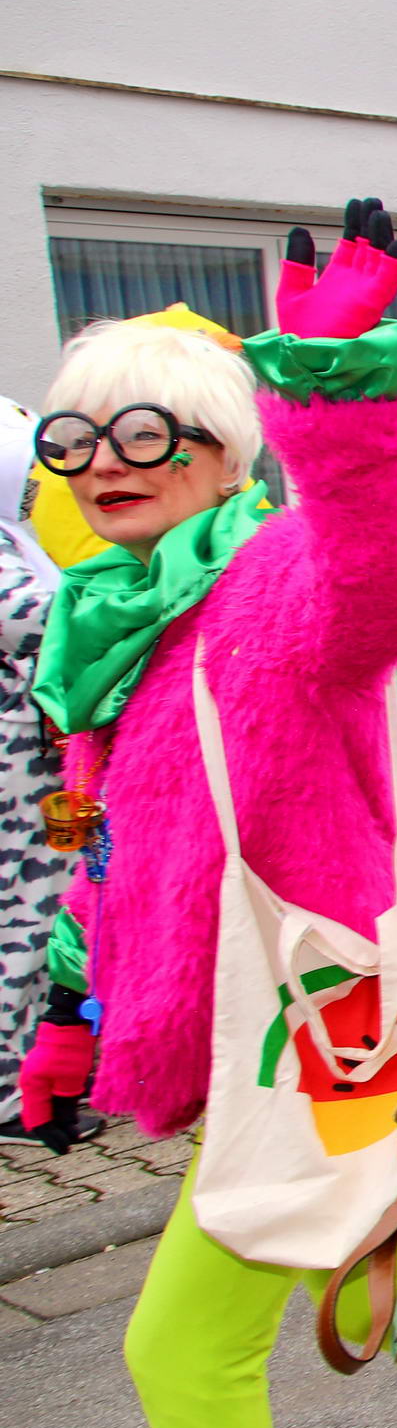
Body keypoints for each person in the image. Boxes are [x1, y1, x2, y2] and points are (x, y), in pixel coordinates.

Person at [28, 201, 397, 1428]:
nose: (106, 463)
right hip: (234, 1023)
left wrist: (335, 384)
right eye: (76, 439)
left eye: (147, 433)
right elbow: (111, 852)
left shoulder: (270, 582)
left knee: (184, 1341)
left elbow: (394, 572)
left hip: (317, 1027)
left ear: (225, 453)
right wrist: (69, 1026)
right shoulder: (109, 618)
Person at [0, 396, 75, 1141]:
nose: (34, 490)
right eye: (25, 473)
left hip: (36, 764)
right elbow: (47, 623)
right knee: (23, 917)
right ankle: (10, 1091)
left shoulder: (14, 541)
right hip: (16, 771)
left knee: (41, 912)